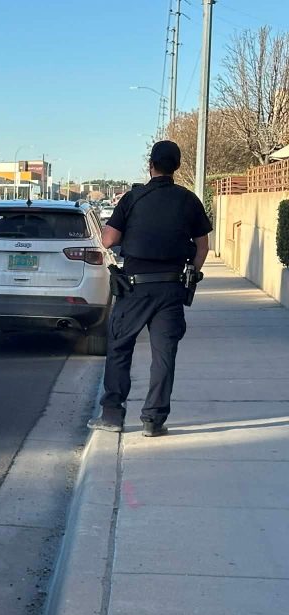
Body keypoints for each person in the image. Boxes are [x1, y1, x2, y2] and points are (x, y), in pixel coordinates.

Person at [88, 140, 211, 437]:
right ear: (177, 167)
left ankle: (113, 415)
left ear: (150, 165)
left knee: (119, 348)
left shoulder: (133, 198)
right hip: (171, 289)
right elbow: (203, 245)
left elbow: (107, 240)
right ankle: (153, 421)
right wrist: (192, 271)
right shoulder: (189, 200)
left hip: (134, 289)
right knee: (164, 355)